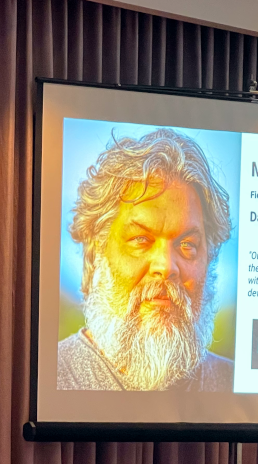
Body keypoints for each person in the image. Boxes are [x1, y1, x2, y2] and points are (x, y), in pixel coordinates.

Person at [57, 128, 233, 391]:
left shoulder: (235, 385)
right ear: (96, 252)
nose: (165, 266)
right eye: (141, 240)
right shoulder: (54, 376)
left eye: (187, 245)